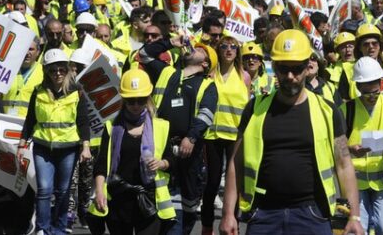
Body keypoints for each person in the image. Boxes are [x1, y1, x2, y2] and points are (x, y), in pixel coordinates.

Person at [219, 29, 364, 235]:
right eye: (283, 68)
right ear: (274, 67)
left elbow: (344, 164)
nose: (290, 76)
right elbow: (236, 163)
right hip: (264, 216)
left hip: (313, 215)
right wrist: (227, 214)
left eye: (297, 69)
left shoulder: (327, 111)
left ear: (307, 67)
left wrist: (354, 216)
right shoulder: (254, 109)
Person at [140, 36, 220, 234]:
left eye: (201, 49)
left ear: (205, 63)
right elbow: (143, 54)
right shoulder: (168, 73)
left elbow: (206, 114)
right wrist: (169, 42)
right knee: (156, 194)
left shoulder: (207, 85)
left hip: (188, 150)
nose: (194, 47)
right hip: (160, 146)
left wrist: (191, 137)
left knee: (189, 202)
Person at [89, 68, 176, 234]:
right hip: (119, 200)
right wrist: (99, 191)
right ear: (123, 99)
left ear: (148, 98)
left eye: (141, 100)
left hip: (149, 200)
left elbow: (172, 160)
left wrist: (161, 163)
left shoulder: (161, 127)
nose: (136, 105)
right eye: (131, 100)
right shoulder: (112, 127)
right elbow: (101, 165)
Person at [17, 49, 92, 235]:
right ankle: (43, 228)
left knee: (63, 191)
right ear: (46, 71)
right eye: (52, 70)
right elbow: (30, 120)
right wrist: (21, 144)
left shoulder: (77, 92)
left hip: (68, 148)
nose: (57, 73)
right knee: (44, 189)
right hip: (43, 147)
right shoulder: (38, 91)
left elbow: (83, 121)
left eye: (61, 69)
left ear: (67, 70)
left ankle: (59, 228)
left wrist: (86, 147)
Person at [341, 57, 383, 234]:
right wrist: (351, 149)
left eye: (376, 92)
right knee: (359, 229)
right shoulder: (347, 110)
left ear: (381, 84)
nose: (372, 97)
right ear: (358, 87)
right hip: (355, 181)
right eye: (367, 93)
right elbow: (336, 145)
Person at [201, 35, 250, 234]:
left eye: (233, 47)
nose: (229, 50)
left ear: (237, 52)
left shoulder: (244, 75)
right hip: (213, 134)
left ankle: (233, 223)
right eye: (224, 46)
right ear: (218, 50)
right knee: (212, 182)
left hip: (235, 136)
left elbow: (247, 107)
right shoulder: (211, 74)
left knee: (234, 182)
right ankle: (206, 226)